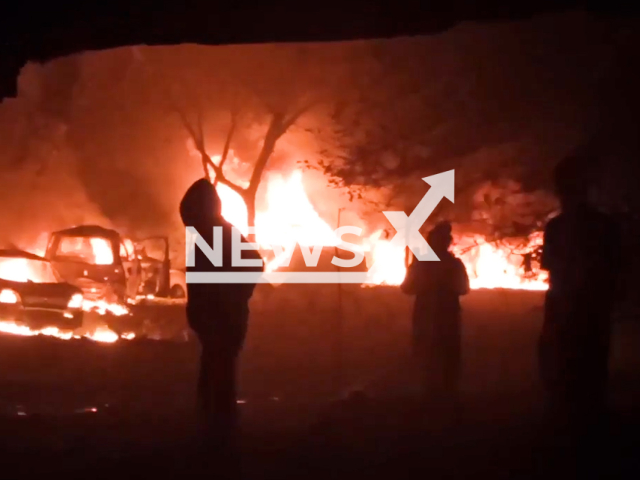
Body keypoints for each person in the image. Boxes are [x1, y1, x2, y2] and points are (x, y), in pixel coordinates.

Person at [539, 153, 622, 457]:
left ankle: (571, 434)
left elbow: (550, 264)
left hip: (568, 308)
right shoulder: (606, 226)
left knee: (564, 367)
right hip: (593, 309)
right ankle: (589, 430)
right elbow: (616, 267)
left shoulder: (558, 227)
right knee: (591, 368)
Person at [179, 178, 264, 453]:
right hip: (214, 320)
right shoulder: (205, 236)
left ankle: (221, 437)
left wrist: (233, 298)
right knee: (213, 373)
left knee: (220, 376)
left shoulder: (221, 235)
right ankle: (211, 431)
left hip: (225, 321)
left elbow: (253, 265)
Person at [401, 221, 470, 402]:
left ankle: (431, 395)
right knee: (447, 357)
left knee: (428, 355)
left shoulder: (421, 264)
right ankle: (447, 395)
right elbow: (463, 289)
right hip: (447, 315)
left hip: (428, 315)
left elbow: (407, 288)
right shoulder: (454, 264)